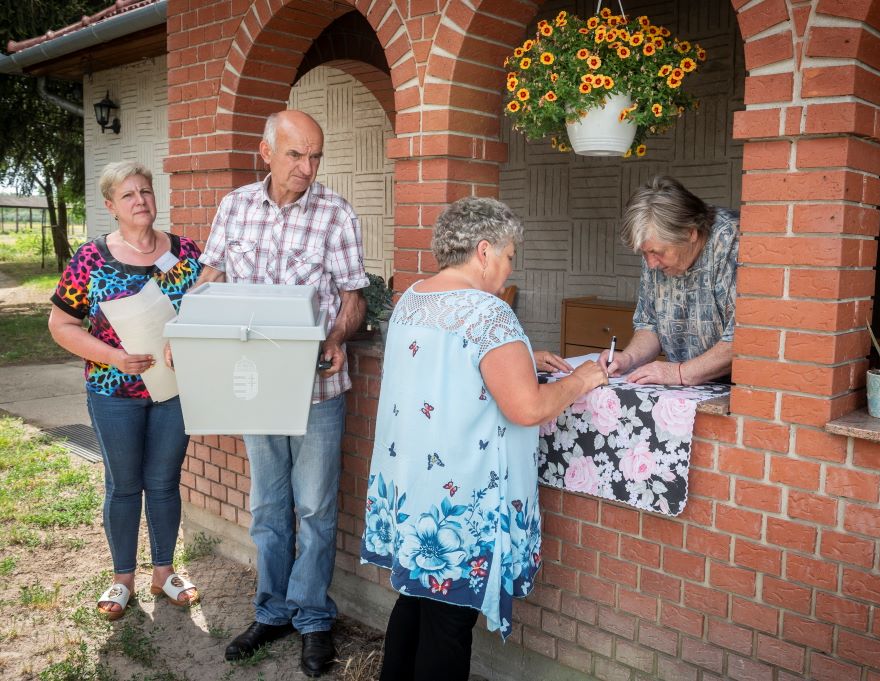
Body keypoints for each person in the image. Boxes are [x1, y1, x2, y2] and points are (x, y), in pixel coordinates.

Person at [360, 196, 607, 681]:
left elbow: (446, 369)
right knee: (449, 625)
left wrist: (522, 360)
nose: (510, 267)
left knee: (415, 606)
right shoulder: (490, 315)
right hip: (461, 502)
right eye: (511, 255)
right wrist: (581, 381)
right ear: (484, 250)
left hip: (413, 493)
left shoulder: (413, 298)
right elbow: (527, 408)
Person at [190, 110, 368, 677]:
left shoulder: (336, 213)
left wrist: (338, 335)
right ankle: (271, 612)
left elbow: (353, 297)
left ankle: (313, 618)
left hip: (318, 388)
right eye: (296, 155)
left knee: (314, 509)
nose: (307, 168)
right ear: (266, 152)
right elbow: (210, 279)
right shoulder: (235, 207)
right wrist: (186, 330)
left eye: (315, 156)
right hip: (254, 388)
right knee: (268, 507)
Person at [49, 161, 203, 620]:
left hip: (174, 390)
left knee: (163, 482)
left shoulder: (185, 251)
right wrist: (114, 356)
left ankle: (163, 573)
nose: (140, 201)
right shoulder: (90, 258)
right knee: (123, 485)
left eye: (145, 192)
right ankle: (121, 579)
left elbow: (209, 305)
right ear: (111, 206)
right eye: (129, 195)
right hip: (113, 391)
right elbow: (60, 324)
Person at [602, 176, 739, 385]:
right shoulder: (655, 255)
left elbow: (742, 338)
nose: (650, 264)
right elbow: (649, 324)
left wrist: (681, 373)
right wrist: (628, 358)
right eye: (644, 253)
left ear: (690, 233)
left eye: (656, 252)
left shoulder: (732, 242)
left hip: (740, 396)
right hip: (687, 392)